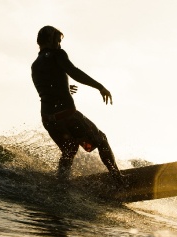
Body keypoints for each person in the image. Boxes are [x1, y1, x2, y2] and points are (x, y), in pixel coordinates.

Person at [31, 25, 122, 184]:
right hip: (67, 116)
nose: (59, 45)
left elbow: (47, 89)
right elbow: (74, 71)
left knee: (69, 149)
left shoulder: (36, 64)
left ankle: (62, 184)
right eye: (58, 41)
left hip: (49, 119)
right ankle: (118, 178)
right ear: (52, 40)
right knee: (101, 139)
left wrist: (65, 88)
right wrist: (99, 87)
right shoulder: (57, 54)